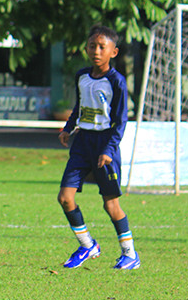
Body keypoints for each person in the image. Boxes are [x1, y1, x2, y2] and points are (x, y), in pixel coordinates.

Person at [57, 25, 139, 270]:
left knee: (110, 204)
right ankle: (87, 245)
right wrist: (68, 128)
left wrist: (109, 149)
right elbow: (80, 106)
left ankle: (130, 254)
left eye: (102, 47)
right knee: (65, 197)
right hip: (82, 143)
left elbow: (121, 120)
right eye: (92, 46)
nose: (96, 51)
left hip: (105, 144)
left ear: (113, 52)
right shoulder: (82, 76)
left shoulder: (117, 82)